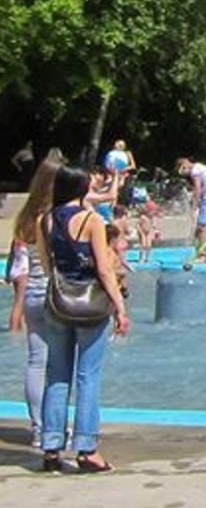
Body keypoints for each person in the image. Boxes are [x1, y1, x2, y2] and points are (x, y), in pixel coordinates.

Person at [36, 165, 132, 473]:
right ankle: (86, 449)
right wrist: (120, 306)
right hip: (90, 304)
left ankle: (51, 448)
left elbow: (45, 262)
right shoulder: (92, 220)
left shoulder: (44, 220)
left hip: (58, 302)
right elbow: (104, 270)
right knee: (88, 376)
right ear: (81, 188)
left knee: (56, 374)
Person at [11, 150, 64, 448]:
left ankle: (37, 427)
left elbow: (20, 264)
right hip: (52, 293)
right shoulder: (56, 217)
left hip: (31, 292)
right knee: (58, 364)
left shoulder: (26, 218)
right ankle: (54, 428)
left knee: (35, 361)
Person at [178, 157, 206, 255]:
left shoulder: (195, 171)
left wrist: (194, 205)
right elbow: (203, 188)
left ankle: (203, 255)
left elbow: (197, 189)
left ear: (184, 166)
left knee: (203, 228)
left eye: (185, 174)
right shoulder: (202, 168)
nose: (187, 177)